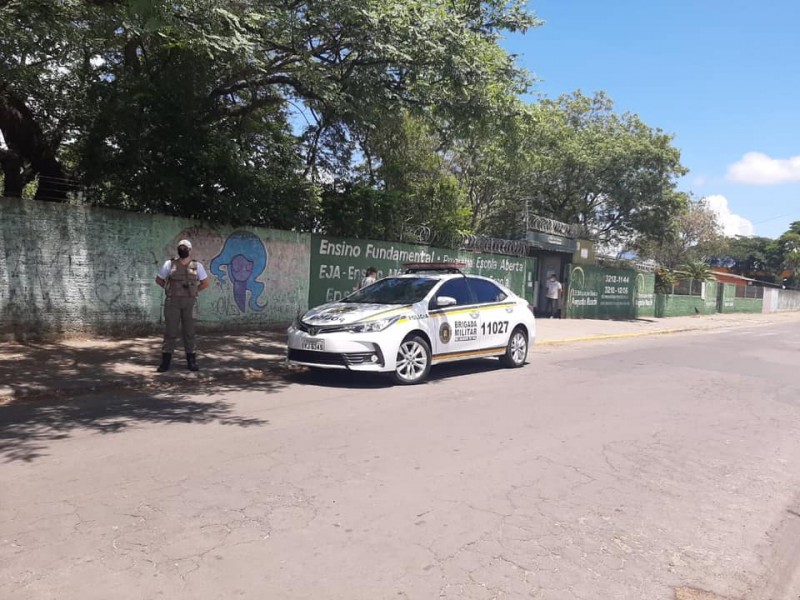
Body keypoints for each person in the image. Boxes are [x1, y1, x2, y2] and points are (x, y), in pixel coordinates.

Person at [155, 239, 210, 372]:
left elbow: (205, 282)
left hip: (189, 303)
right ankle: (165, 362)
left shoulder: (197, 266)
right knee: (170, 332)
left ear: (189, 250)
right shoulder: (170, 264)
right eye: (180, 247)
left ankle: (191, 361)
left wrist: (194, 290)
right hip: (172, 302)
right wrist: (168, 289)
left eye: (185, 248)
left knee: (189, 332)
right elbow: (159, 279)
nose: (182, 249)